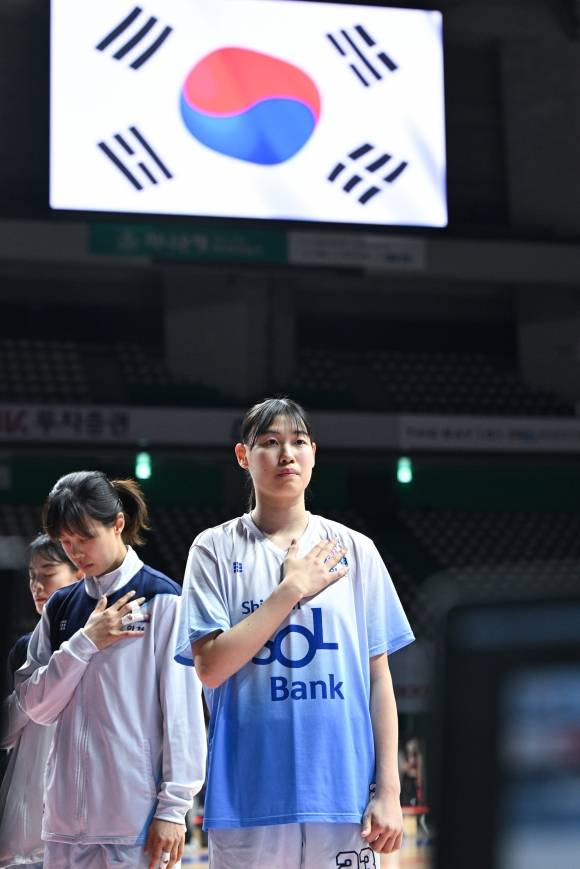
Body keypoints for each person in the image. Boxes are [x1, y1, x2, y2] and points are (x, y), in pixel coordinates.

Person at [175, 397, 415, 869]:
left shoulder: (356, 550)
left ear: (313, 454)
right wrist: (290, 590)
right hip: (249, 800)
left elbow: (379, 680)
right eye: (269, 443)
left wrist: (389, 790)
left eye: (298, 442)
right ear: (244, 457)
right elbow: (210, 668)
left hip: (346, 800)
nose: (287, 454)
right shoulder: (214, 549)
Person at [13, 471, 207, 869]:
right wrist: (85, 642)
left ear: (117, 525)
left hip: (133, 824)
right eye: (66, 542)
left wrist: (173, 809)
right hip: (63, 825)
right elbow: (35, 706)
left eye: (84, 539)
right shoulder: (60, 608)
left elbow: (183, 714)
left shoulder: (163, 600)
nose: (75, 553)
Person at [0, 534, 80, 868]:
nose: (37, 585)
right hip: (27, 832)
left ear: (80, 574)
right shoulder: (22, 648)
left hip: (83, 829)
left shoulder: (110, 644)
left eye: (47, 573)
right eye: (32, 576)